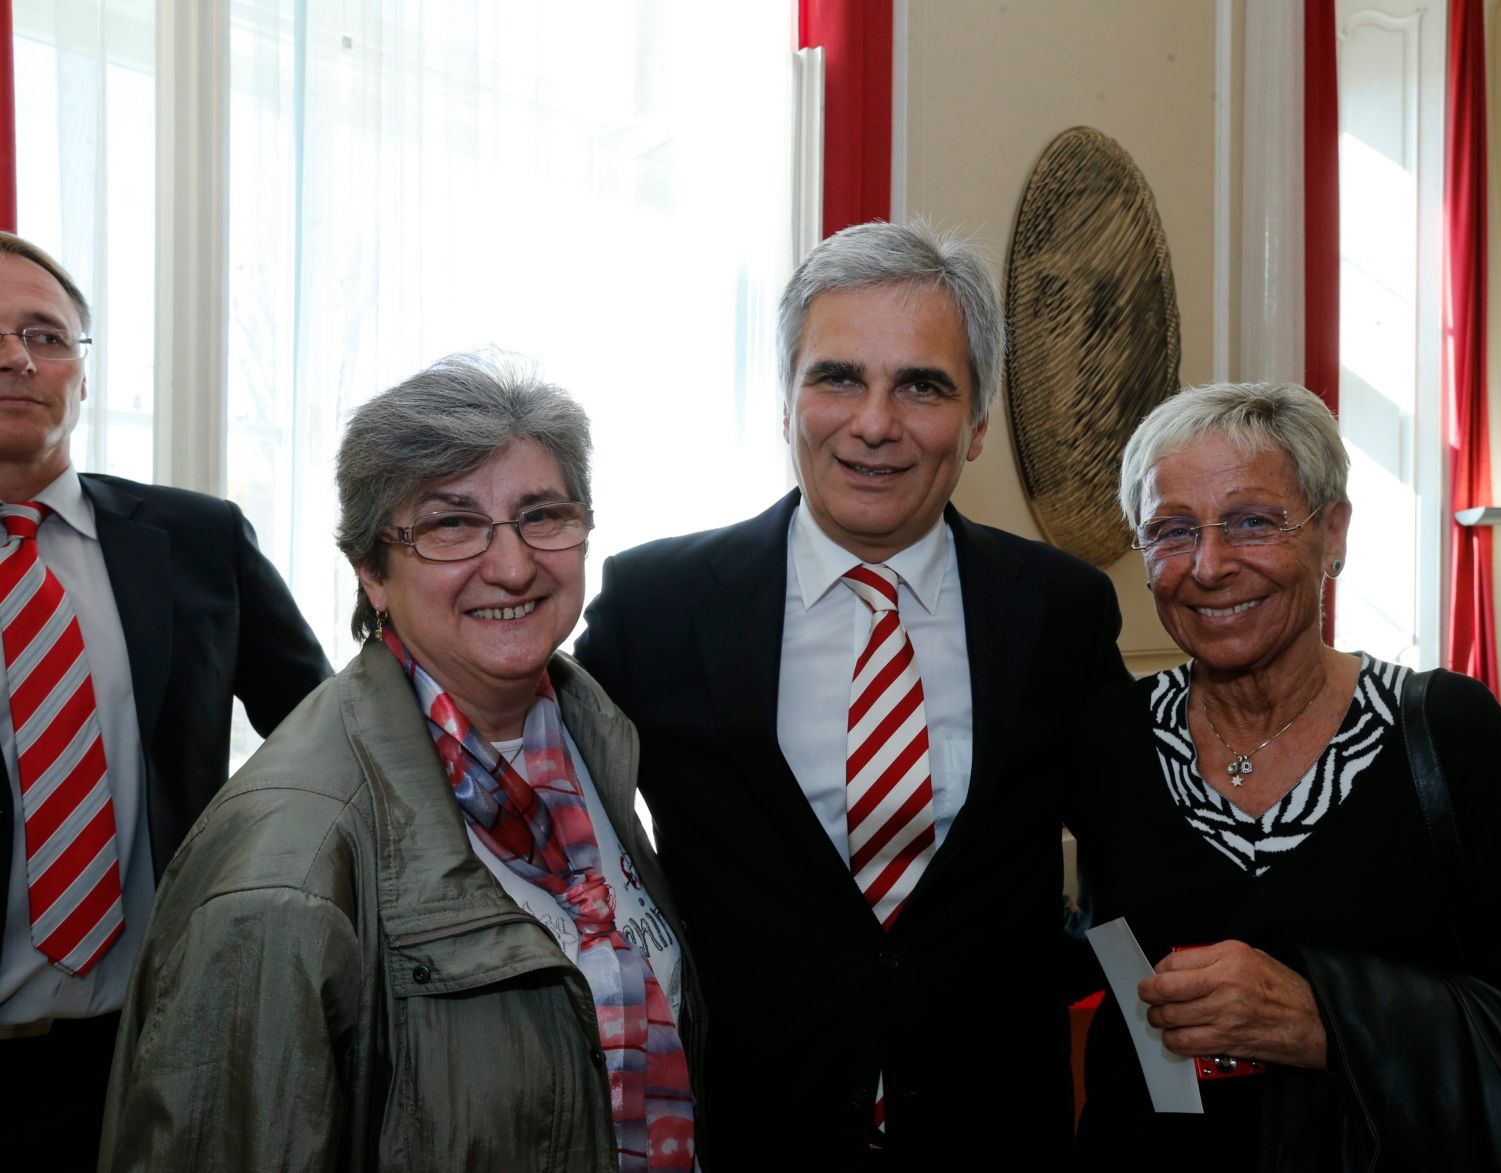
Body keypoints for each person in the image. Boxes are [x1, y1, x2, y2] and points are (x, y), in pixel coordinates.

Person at [576, 219, 1131, 1167]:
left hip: (996, 1128)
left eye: (922, 385)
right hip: (743, 1129)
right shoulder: (657, 608)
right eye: (838, 377)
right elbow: (543, 819)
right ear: (787, 402)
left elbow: (1133, 854)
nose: (876, 421)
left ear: (978, 424)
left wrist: (1145, 1065)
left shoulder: (1057, 611)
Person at [102, 354, 700, 1171]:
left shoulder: (586, 745)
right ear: (372, 570)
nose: (514, 564)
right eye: (452, 524)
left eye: (543, 514)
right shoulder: (290, 860)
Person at [1070, 382, 1501, 1169]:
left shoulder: (1445, 732)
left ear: (1333, 534)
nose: (1209, 564)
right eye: (1171, 530)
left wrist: (1333, 1020)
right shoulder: (1112, 737)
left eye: (1253, 521)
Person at [0, 231, 331, 1165]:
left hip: (156, 1052)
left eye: (46, 335)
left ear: (84, 375)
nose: (18, 359)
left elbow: (327, 733)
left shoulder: (198, 538)